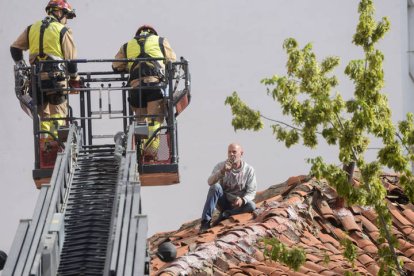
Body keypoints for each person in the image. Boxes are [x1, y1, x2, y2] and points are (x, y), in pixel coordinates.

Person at [10, 0, 79, 141]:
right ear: (59, 12)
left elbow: (15, 48)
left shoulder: (32, 28)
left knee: (44, 118)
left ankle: (45, 147)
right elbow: (71, 62)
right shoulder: (63, 30)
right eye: (66, 16)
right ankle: (55, 145)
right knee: (58, 115)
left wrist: (21, 66)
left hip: (36, 79)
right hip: (57, 79)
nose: (66, 21)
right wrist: (74, 80)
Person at [112, 25, 176, 160]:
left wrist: (130, 67)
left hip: (136, 88)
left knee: (141, 120)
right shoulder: (161, 41)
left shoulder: (127, 45)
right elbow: (172, 62)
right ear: (153, 34)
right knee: (155, 120)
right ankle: (153, 153)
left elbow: (115, 66)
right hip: (154, 86)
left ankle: (140, 153)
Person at [199, 143, 257, 234]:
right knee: (215, 187)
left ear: (241, 154)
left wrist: (243, 200)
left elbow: (252, 191)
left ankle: (226, 215)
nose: (231, 154)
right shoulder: (220, 166)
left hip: (238, 205)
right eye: (229, 152)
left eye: (234, 152)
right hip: (224, 201)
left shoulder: (248, 170)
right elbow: (209, 182)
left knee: (252, 206)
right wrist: (222, 171)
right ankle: (205, 222)